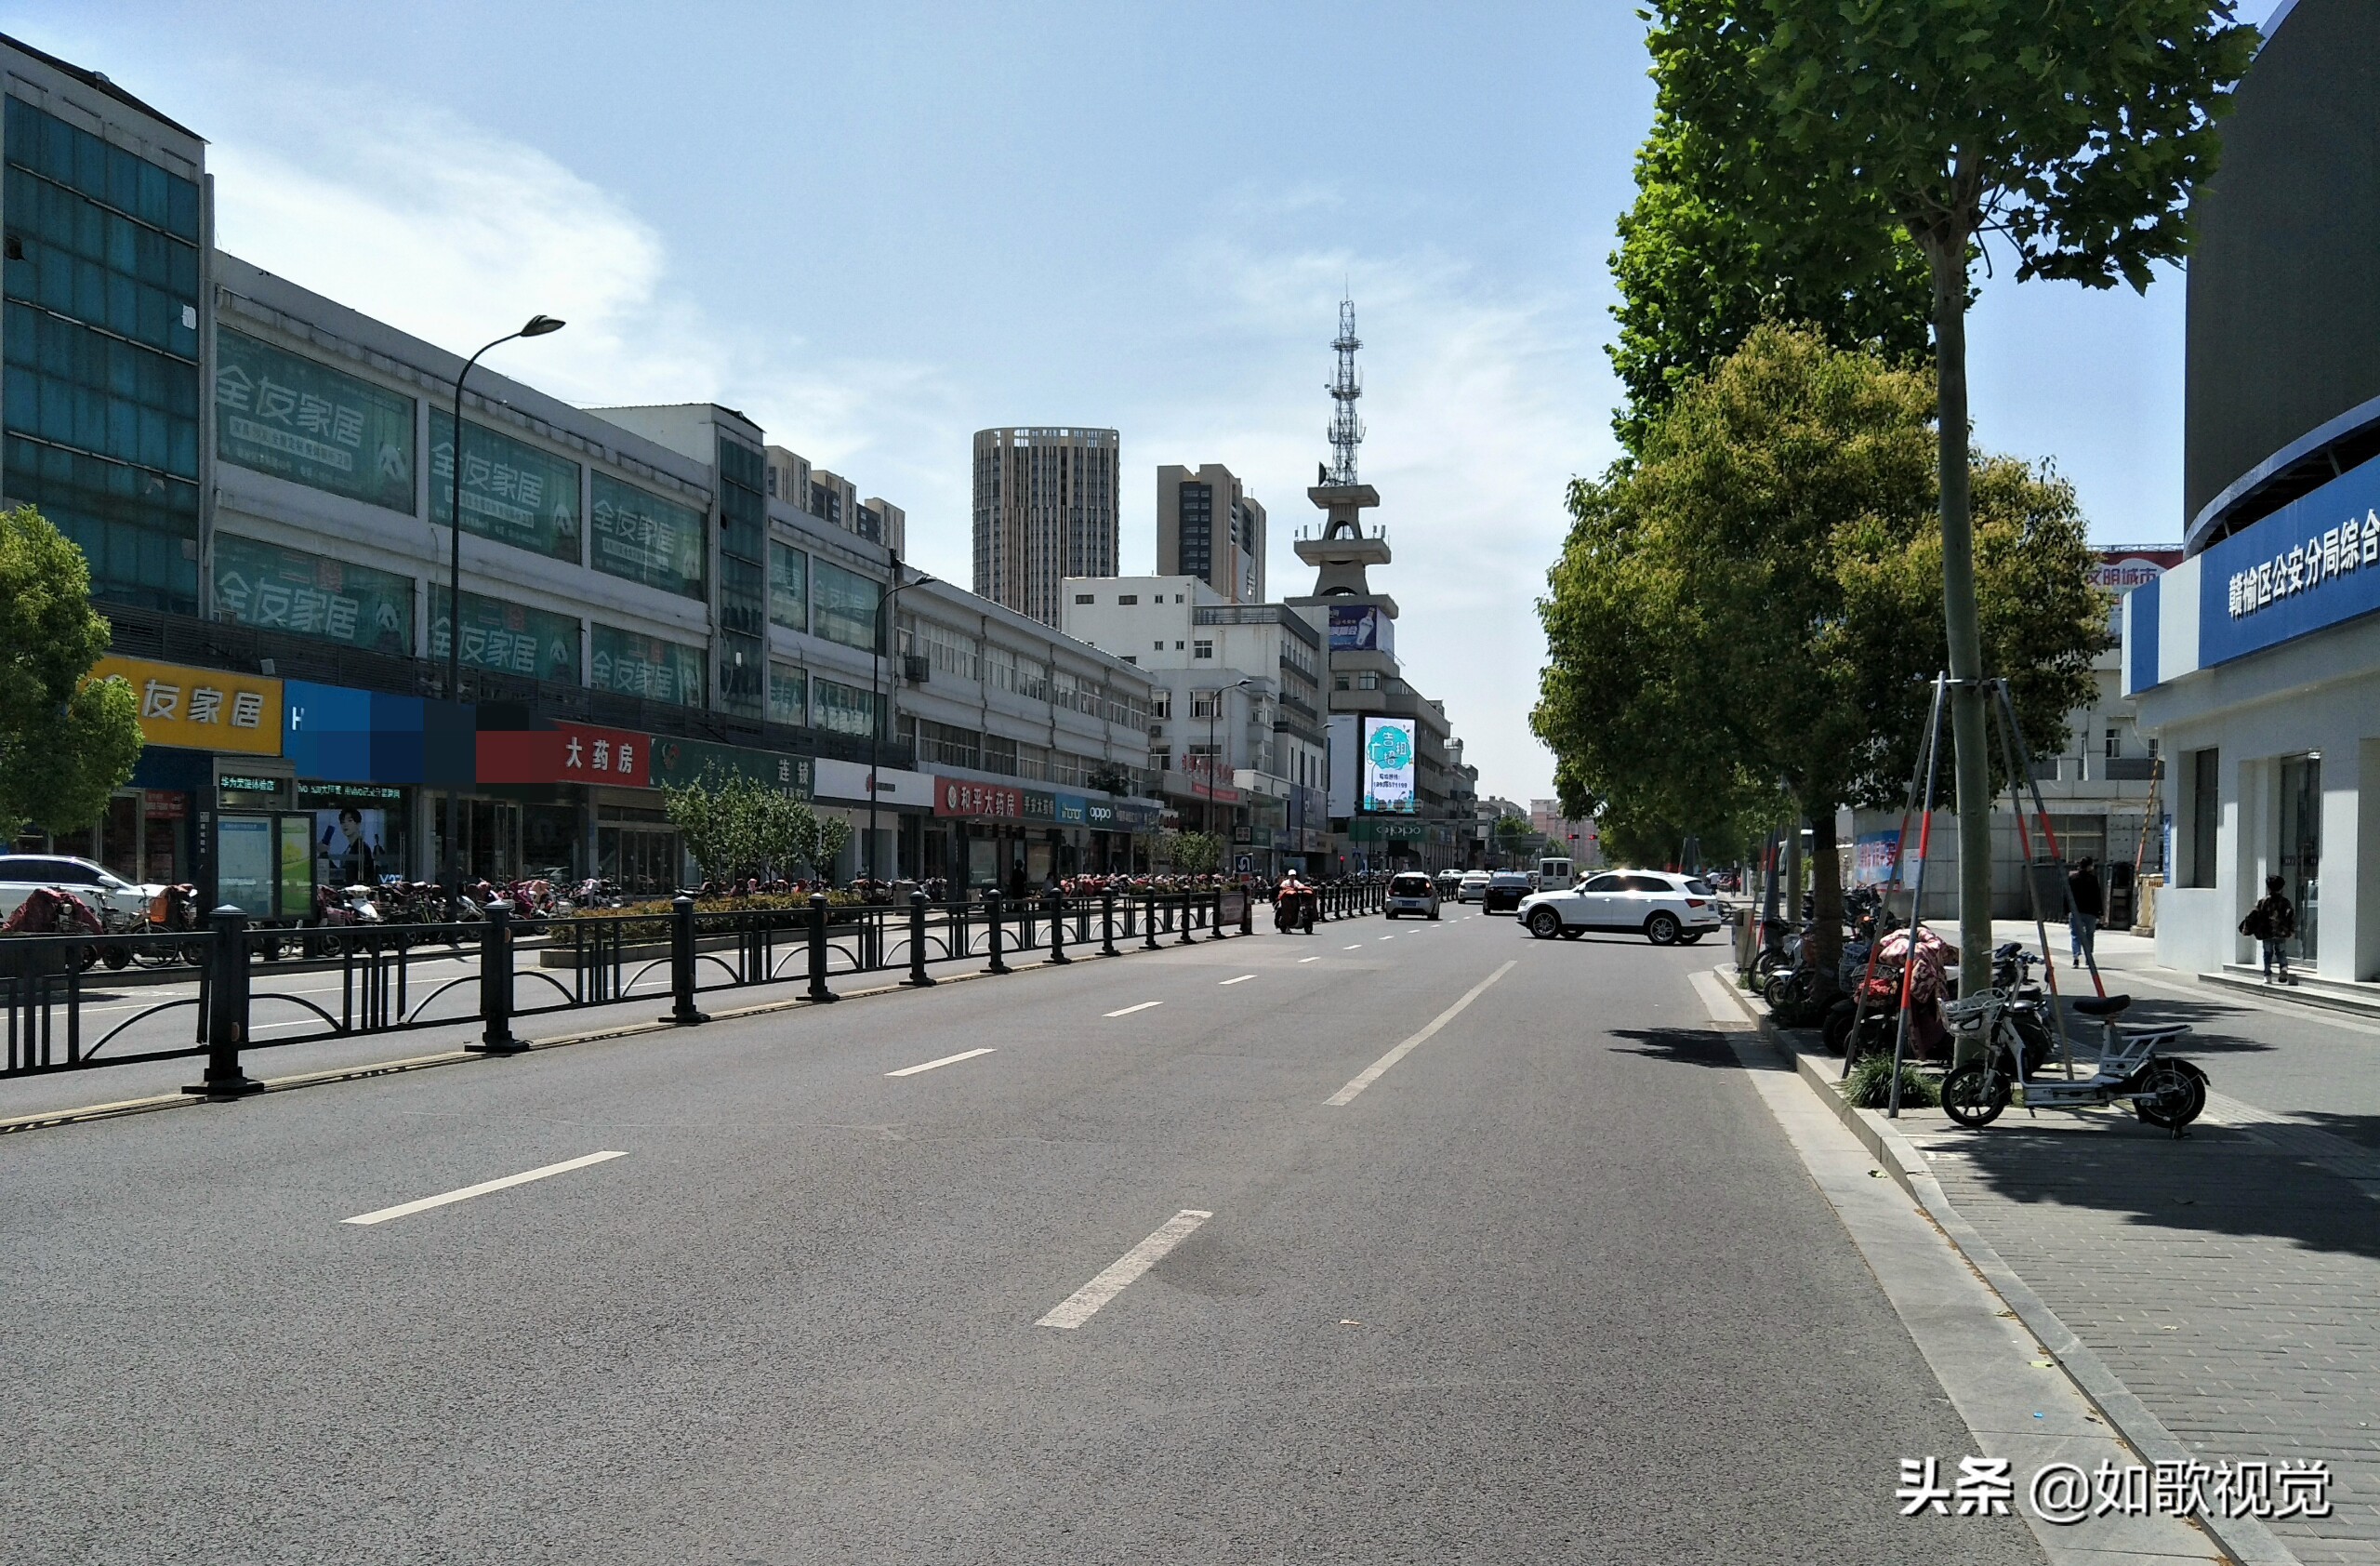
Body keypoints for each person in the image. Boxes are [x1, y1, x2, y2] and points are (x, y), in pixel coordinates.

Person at [2241, 874, 2297, 985]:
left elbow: (2253, 914)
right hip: (2281, 931)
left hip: (2266, 932)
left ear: (2268, 888)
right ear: (2281, 888)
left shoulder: (2263, 902)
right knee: (2281, 951)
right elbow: (2290, 915)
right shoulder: (2285, 902)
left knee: (2267, 953)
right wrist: (2291, 930)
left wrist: (2247, 928)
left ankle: (2267, 975)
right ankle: (2283, 968)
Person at [2066, 856, 2104, 967]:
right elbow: (2097, 896)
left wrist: (2066, 910)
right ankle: (2088, 957)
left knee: (2075, 934)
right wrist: (2100, 912)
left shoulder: (2072, 878)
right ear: (2089, 866)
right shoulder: (2093, 879)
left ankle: (2076, 958)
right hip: (2090, 911)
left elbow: (2067, 895)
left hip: (2075, 910)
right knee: (2089, 935)